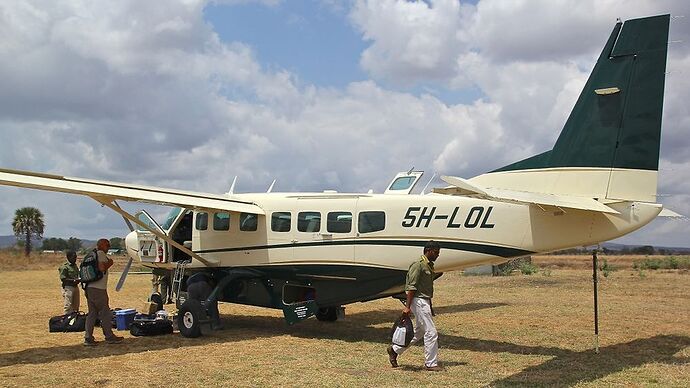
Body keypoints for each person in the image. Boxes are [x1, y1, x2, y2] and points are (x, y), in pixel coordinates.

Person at [387, 240, 442, 371]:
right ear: (428, 251)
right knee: (431, 332)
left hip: (424, 301)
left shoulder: (428, 265)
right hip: (418, 301)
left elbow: (425, 288)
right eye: (436, 252)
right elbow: (411, 287)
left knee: (420, 332)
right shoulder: (418, 265)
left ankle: (394, 350)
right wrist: (407, 307)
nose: (437, 255)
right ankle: (431, 363)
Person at [84, 239, 124, 346]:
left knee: (92, 313)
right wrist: (110, 263)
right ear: (101, 245)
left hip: (89, 287)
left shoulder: (91, 255)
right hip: (99, 289)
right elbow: (102, 267)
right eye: (107, 245)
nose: (109, 247)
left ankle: (88, 337)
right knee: (105, 312)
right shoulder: (100, 254)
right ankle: (109, 336)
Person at [58, 250, 80, 314]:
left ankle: (75, 319)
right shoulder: (64, 267)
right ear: (68, 257)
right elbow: (63, 278)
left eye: (75, 257)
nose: (75, 259)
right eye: (73, 257)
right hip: (68, 287)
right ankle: (66, 319)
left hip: (75, 287)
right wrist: (73, 280)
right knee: (68, 305)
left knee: (76, 305)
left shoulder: (75, 266)